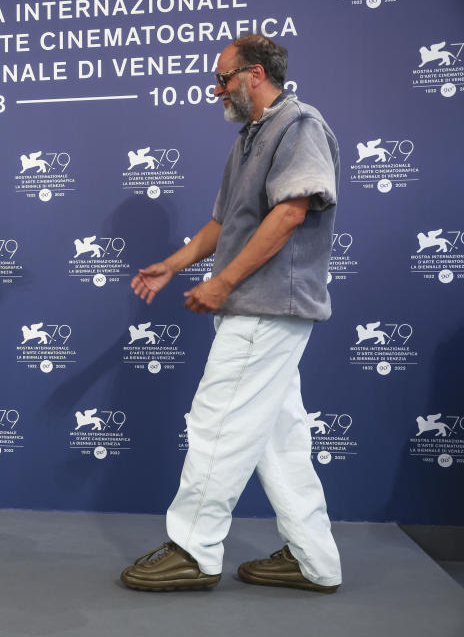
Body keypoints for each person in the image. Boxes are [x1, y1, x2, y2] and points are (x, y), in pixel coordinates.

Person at [121, 35, 343, 593]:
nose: (216, 88)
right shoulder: (249, 138)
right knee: (279, 439)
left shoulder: (299, 125)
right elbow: (222, 224)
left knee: (217, 422)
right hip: (259, 306)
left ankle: (195, 551)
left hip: (268, 307)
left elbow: (292, 210)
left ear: (255, 74)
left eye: (223, 78)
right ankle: (314, 559)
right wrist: (172, 265)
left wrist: (220, 283)